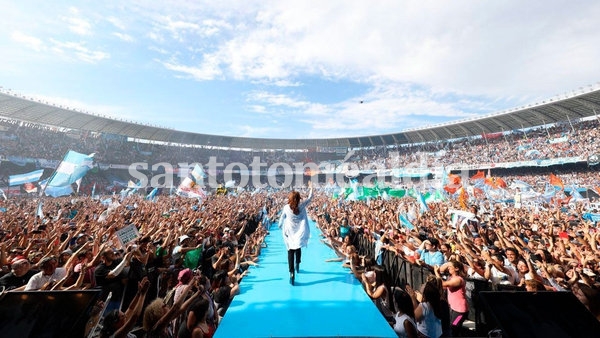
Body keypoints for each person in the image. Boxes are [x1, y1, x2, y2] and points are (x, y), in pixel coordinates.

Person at [278, 181, 313, 285]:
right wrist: (311, 187)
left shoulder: (286, 207)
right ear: (298, 199)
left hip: (289, 232)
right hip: (299, 232)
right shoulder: (302, 206)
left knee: (290, 251)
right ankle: (297, 263)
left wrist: (280, 225)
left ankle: (291, 272)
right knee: (297, 247)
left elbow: (281, 218)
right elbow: (310, 197)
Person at [435, 260, 469, 337]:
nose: (448, 268)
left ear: (456, 269)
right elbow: (443, 286)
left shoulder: (458, 279)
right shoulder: (451, 277)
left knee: (454, 326)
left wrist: (436, 273)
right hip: (453, 308)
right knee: (453, 328)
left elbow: (443, 283)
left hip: (460, 311)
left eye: (450, 266)